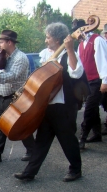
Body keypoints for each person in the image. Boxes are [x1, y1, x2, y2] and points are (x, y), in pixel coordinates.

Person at [14, 22, 84, 182]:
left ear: (58, 39)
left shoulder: (69, 53)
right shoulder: (45, 54)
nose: (46, 40)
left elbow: (76, 73)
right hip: (47, 105)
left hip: (64, 105)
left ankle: (76, 169)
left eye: (48, 37)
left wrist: (70, 49)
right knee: (41, 141)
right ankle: (29, 172)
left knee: (67, 140)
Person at [0, 30, 35, 163]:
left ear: (9, 42)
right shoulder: (3, 56)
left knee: (20, 125)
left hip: (15, 97)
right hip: (1, 96)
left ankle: (33, 150)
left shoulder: (20, 58)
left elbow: (12, 76)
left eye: (1, 42)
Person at [76, 19, 107, 149]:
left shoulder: (98, 40)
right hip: (87, 81)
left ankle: (82, 139)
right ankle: (97, 134)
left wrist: (105, 81)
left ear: (84, 28)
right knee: (93, 108)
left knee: (89, 109)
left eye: (77, 30)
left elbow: (103, 61)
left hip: (98, 81)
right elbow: (80, 65)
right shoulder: (81, 44)